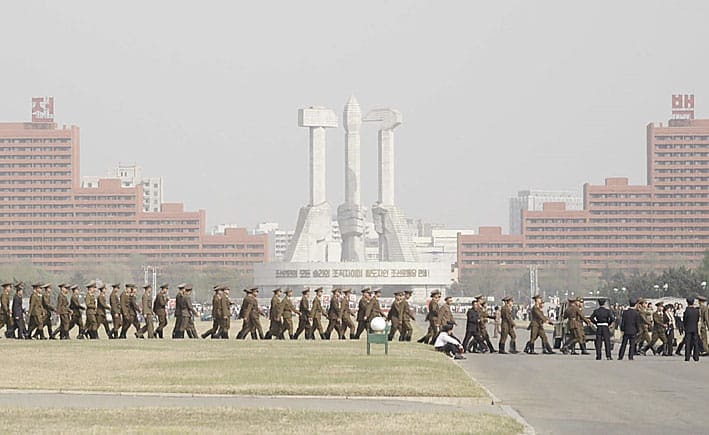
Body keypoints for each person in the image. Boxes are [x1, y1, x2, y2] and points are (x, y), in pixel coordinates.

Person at [683, 297, 701, 362]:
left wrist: (685, 326)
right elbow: (697, 319)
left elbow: (685, 320)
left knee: (688, 343)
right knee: (696, 343)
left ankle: (687, 357)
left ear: (687, 303)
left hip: (688, 328)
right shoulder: (696, 311)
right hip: (695, 328)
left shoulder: (687, 311)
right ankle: (696, 357)